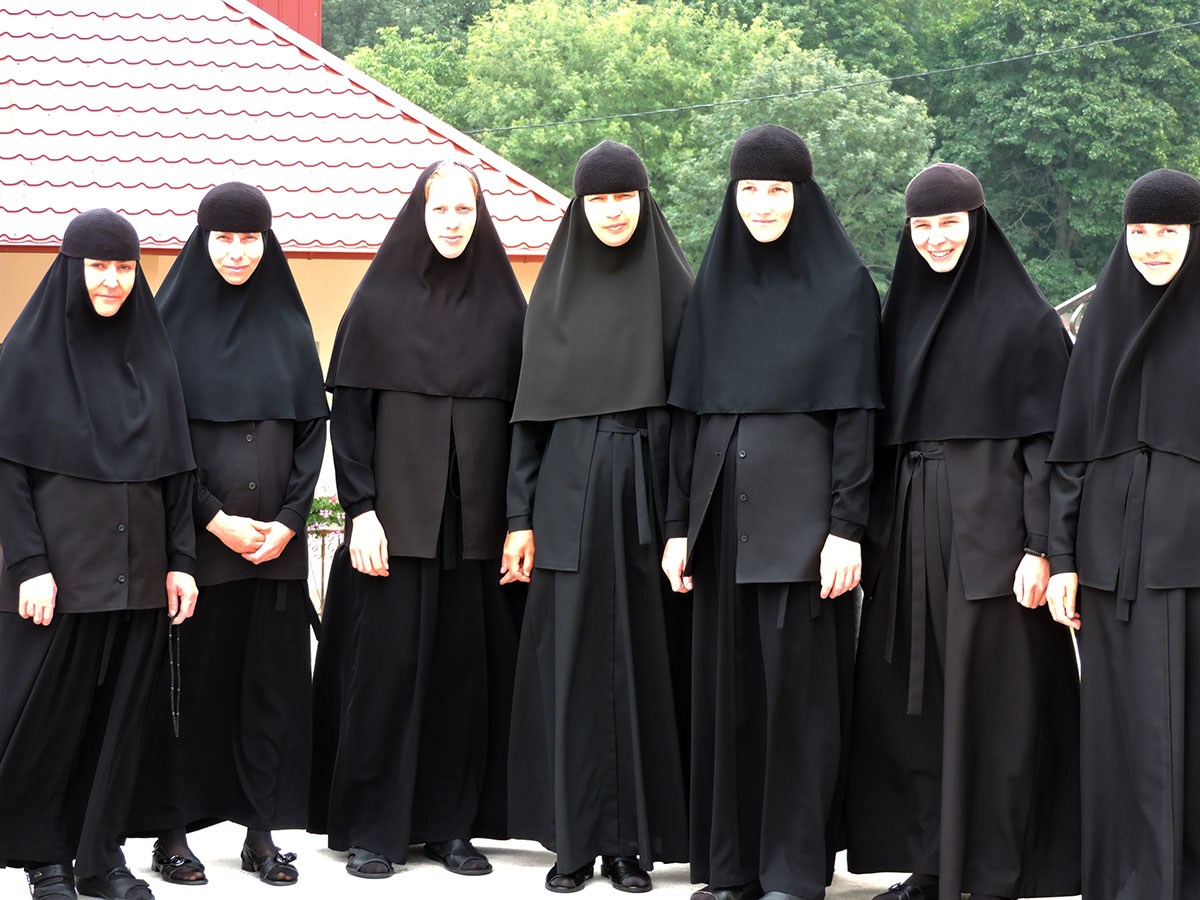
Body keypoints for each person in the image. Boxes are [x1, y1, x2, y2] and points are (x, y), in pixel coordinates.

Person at [846, 163, 1080, 900]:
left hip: (997, 543)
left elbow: (1049, 448)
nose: (936, 238)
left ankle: (999, 867)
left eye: (949, 223)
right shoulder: (899, 321)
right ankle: (933, 863)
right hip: (909, 532)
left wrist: (1042, 548)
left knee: (999, 711)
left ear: (978, 224)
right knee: (914, 707)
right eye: (922, 226)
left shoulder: (1027, 322)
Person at [663, 124, 879, 900]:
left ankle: (793, 870)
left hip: (805, 530)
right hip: (721, 523)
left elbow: (858, 418)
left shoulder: (845, 287)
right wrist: (677, 528)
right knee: (728, 701)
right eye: (749, 190)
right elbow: (687, 418)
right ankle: (732, 869)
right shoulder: (712, 289)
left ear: (802, 196)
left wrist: (846, 529)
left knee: (798, 705)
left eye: (777, 190)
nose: (762, 204)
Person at [309, 160, 527, 880]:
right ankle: (376, 829)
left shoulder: (507, 309)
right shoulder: (377, 303)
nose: (453, 222)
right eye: (441, 210)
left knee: (461, 678)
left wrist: (517, 521)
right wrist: (361, 511)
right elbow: (352, 420)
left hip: (476, 533)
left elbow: (524, 428)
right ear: (420, 213)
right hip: (393, 529)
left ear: (479, 215)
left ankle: (449, 827)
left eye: (465, 210)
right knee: (387, 675)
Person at [503, 140, 693, 894]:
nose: (612, 212)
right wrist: (519, 518)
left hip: (650, 491)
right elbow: (528, 421)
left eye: (624, 197)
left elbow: (693, 417)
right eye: (598, 200)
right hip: (568, 493)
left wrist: (680, 521)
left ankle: (632, 844)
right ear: (579, 208)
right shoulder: (551, 300)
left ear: (644, 201)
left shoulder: (679, 293)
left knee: (645, 663)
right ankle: (573, 841)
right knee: (571, 664)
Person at [125, 183, 328, 886]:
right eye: (225, 239)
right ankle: (172, 834)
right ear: (203, 240)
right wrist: (214, 519)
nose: (238, 252)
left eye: (250, 240)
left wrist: (290, 522)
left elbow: (311, 435)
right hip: (196, 552)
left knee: (268, 694)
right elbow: (162, 442)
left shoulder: (290, 327)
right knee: (188, 696)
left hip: (274, 551)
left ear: (266, 243)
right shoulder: (167, 326)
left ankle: (260, 834)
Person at [0, 209, 198, 900]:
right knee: (47, 725)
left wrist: (181, 560)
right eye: (98, 267)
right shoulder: (26, 357)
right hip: (60, 578)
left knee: (118, 727)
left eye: (123, 268)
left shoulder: (154, 358)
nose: (112, 281)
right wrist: (29, 566)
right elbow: (8, 472)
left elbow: (177, 472)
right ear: (70, 270)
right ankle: (44, 858)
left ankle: (100, 858)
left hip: (139, 575)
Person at [1046, 168, 1200, 900]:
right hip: (1110, 567)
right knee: (1121, 731)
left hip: (1189, 559)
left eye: (1169, 231)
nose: (1153, 247)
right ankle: (1127, 883)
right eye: (1139, 232)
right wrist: (1063, 559)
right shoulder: (1102, 323)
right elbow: (1072, 453)